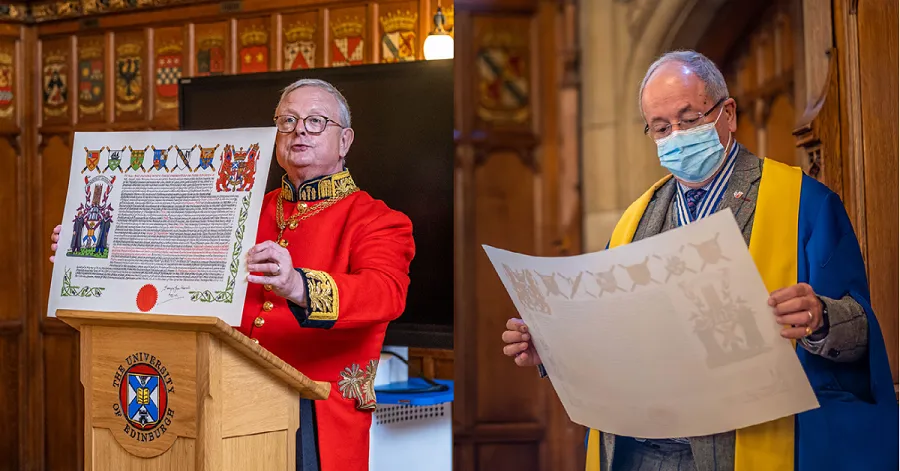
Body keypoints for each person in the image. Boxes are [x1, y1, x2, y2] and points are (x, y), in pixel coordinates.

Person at [501, 50, 898, 471]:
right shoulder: (635, 219)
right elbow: (613, 334)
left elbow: (860, 330)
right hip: (639, 451)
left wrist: (821, 318)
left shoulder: (804, 204)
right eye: (660, 127)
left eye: (688, 120)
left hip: (739, 448)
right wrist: (553, 347)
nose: (675, 136)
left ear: (727, 114)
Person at [51, 78, 416, 471]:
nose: (298, 132)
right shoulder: (241, 207)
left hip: (313, 411)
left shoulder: (379, 220)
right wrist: (90, 251)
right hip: (220, 399)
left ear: (345, 140)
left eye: (315, 122)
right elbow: (175, 261)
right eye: (288, 120)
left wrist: (297, 285)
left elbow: (385, 293)